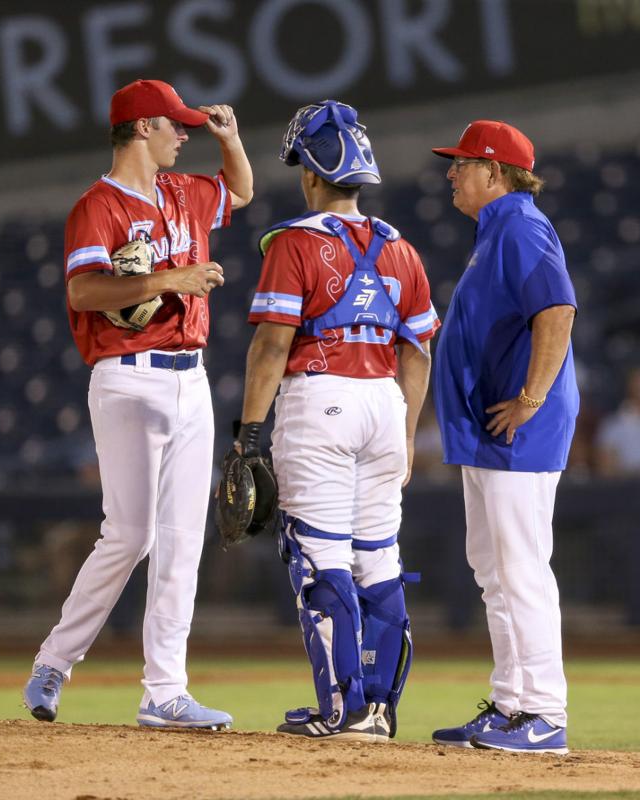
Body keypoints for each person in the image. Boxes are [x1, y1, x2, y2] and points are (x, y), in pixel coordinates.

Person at [22, 78, 253, 729]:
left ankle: (165, 693)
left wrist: (231, 140)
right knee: (129, 534)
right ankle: (55, 662)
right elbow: (85, 292)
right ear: (141, 128)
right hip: (128, 375)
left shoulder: (183, 193)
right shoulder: (98, 205)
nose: (185, 135)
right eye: (175, 125)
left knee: (182, 540)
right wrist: (164, 279)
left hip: (192, 378)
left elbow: (239, 191)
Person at [237, 100, 437, 742]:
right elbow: (418, 349)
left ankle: (340, 710)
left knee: (318, 556)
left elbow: (271, 347)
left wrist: (246, 436)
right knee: (378, 559)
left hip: (320, 399)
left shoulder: (294, 243)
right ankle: (377, 710)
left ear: (310, 175)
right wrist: (406, 431)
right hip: (384, 402)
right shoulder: (400, 249)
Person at [429, 121, 577, 754]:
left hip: (518, 427)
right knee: (493, 569)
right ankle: (512, 705)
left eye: (462, 164)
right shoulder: (496, 231)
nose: (451, 174)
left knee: (520, 568)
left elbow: (558, 310)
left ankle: (543, 712)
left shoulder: (519, 224)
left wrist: (531, 398)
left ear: (494, 172)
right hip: (491, 430)